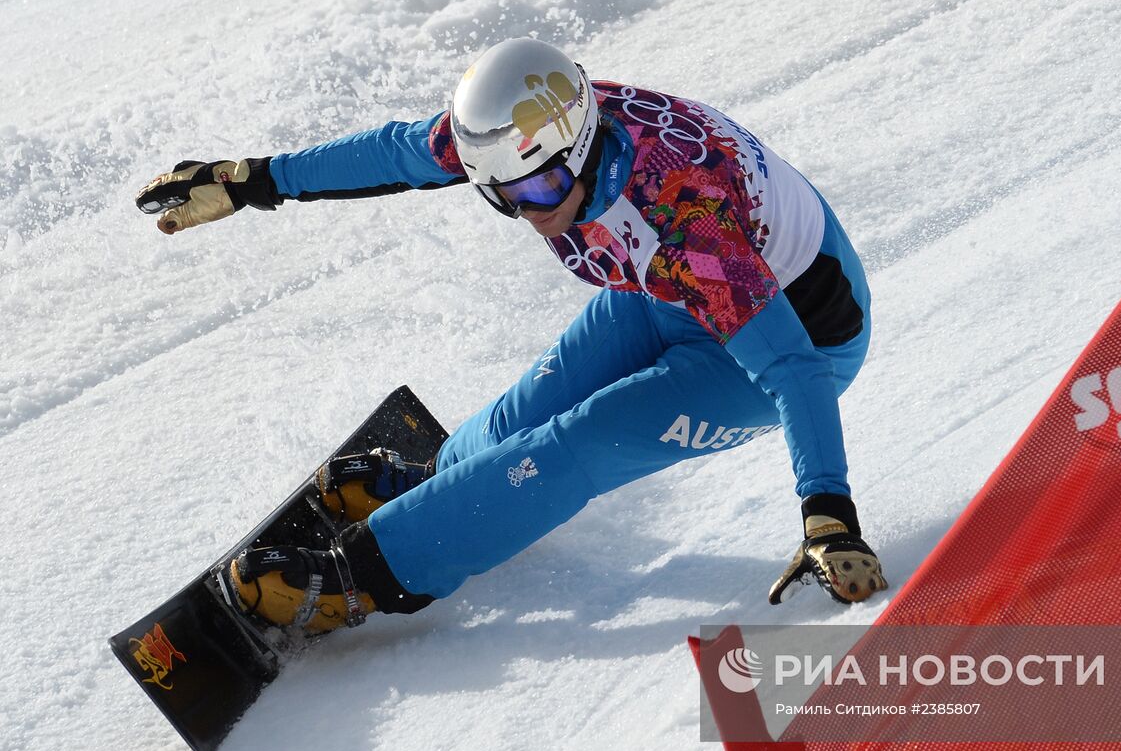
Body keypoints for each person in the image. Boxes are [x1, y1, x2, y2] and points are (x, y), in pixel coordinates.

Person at [136, 37, 886, 633]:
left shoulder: (684, 212)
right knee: (530, 404)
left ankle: (371, 575)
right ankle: (443, 484)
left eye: (544, 189)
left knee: (583, 440)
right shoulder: (521, 129)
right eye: (506, 195)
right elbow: (396, 153)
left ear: (583, 143)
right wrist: (254, 180)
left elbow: (792, 368)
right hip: (679, 294)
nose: (532, 209)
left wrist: (829, 511)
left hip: (789, 339)